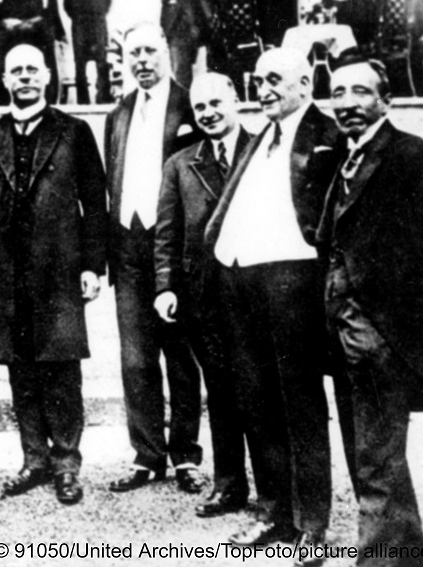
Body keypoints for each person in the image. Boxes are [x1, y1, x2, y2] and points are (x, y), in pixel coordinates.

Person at [205, 48, 340, 553]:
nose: (263, 89)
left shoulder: (326, 136)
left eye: (274, 80)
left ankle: (311, 525)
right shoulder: (261, 135)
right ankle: (278, 513)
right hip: (241, 283)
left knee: (299, 404)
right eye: (258, 80)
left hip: (292, 285)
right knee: (257, 403)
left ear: (305, 82)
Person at [0, 43, 107, 505]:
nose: (25, 77)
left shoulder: (75, 131)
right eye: (16, 71)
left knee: (62, 369)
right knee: (20, 369)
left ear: (47, 76)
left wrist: (93, 265)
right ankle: (34, 459)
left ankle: (67, 463)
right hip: (5, 274)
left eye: (33, 69)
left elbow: (96, 204)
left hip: (59, 269)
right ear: (5, 80)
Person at [320, 56, 423, 567]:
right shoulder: (339, 160)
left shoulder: (413, 156)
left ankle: (382, 563)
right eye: (339, 93)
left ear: (385, 100)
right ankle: (405, 555)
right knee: (373, 456)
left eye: (361, 92)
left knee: (375, 459)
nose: (347, 103)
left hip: (380, 334)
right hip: (344, 333)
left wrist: (391, 329)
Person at [102, 21, 204, 495]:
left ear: (165, 49)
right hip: (127, 247)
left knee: (179, 355)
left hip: (173, 248)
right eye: (132, 53)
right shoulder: (118, 113)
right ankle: (147, 455)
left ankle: (185, 455)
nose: (141, 60)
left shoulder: (190, 106)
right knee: (135, 358)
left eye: (148, 50)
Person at [153, 72, 252, 518]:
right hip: (204, 299)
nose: (209, 113)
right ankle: (229, 485)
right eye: (200, 108)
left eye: (217, 103)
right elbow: (167, 235)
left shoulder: (262, 149)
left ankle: (277, 490)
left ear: (236, 99)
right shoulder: (179, 164)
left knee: (263, 394)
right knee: (222, 393)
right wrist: (165, 287)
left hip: (256, 294)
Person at [63, 0, 112, 104]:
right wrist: (80, 18)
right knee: (80, 65)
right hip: (79, 28)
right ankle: (83, 100)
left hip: (98, 28)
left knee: (102, 63)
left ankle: (104, 97)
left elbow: (107, 4)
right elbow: (68, 7)